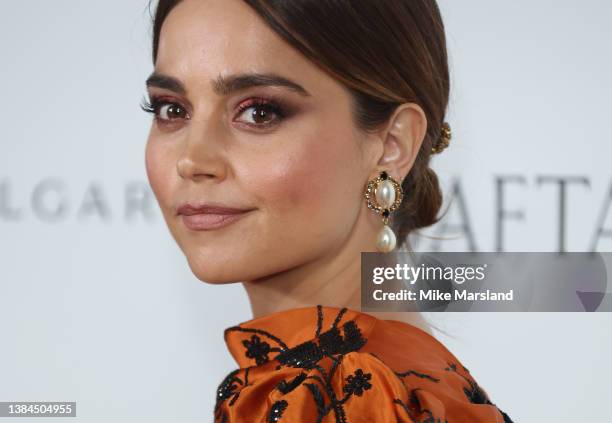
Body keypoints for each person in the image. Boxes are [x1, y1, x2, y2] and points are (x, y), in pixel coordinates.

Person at [141, 0, 512, 421]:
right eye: (172, 109)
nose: (193, 159)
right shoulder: (394, 379)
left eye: (259, 113)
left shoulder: (346, 395)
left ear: (392, 144)